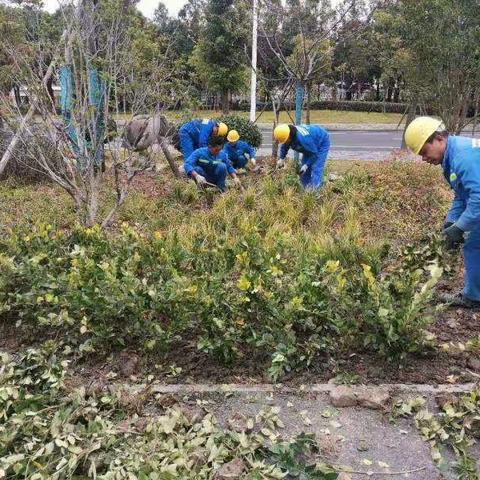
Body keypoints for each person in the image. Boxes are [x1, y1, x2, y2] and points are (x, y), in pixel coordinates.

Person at [404, 116, 480, 308]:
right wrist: (451, 223)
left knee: (474, 242)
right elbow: (462, 196)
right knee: (474, 242)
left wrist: (460, 228)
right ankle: (474, 296)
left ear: (438, 139)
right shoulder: (450, 159)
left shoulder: (462, 157)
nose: (423, 158)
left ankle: (473, 297)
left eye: (424, 151)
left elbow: (478, 199)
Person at [274, 123, 330, 190]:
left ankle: (315, 193)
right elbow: (285, 145)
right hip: (310, 146)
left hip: (322, 141)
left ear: (289, 136)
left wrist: (306, 165)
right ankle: (305, 191)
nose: (285, 142)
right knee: (304, 172)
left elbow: (314, 154)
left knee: (316, 167)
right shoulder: (287, 134)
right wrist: (281, 158)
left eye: (286, 140)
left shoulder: (304, 140)